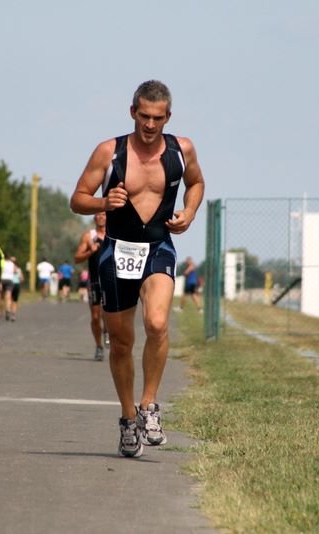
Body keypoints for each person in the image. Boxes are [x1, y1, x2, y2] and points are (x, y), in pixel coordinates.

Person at [69, 80, 205, 458]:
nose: (149, 124)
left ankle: (149, 406)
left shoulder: (182, 149)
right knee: (122, 342)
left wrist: (190, 212)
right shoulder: (109, 152)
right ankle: (128, 418)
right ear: (132, 112)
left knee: (158, 323)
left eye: (157, 118)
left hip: (158, 246)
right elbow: (76, 199)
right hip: (116, 250)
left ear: (168, 117)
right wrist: (102, 201)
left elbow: (196, 183)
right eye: (143, 116)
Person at [74, 211, 109, 361]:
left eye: (103, 214)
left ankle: (107, 331)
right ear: (94, 218)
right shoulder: (89, 236)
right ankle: (99, 346)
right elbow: (77, 258)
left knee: (108, 314)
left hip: (110, 281)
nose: (100, 217)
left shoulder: (114, 235)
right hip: (94, 280)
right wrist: (90, 251)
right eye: (98, 215)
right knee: (95, 317)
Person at [0, 255, 16, 320]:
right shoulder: (12, 264)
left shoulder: (2, 262)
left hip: (2, 279)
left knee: (1, 297)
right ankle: (8, 309)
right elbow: (15, 271)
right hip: (10, 280)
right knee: (8, 296)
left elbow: (0, 271)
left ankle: (1, 312)